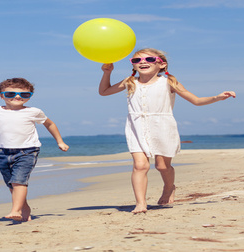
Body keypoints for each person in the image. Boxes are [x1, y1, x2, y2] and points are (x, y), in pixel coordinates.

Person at [98, 48, 236, 214]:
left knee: (162, 166)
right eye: (136, 60)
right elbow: (104, 92)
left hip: (162, 127)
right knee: (140, 166)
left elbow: (196, 100)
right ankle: (141, 203)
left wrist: (217, 97)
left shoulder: (169, 82)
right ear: (133, 66)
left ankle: (169, 188)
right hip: (136, 127)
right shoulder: (129, 81)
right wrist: (107, 73)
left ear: (161, 64)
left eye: (149, 59)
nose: (142, 62)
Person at [0, 78, 69, 222]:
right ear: (1, 95)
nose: (17, 97)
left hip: (27, 151)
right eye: (11, 94)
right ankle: (25, 208)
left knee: (19, 182)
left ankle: (15, 210)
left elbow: (50, 124)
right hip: (1, 152)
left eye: (24, 95)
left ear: (30, 96)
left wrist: (60, 141)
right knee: (12, 184)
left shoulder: (34, 112)